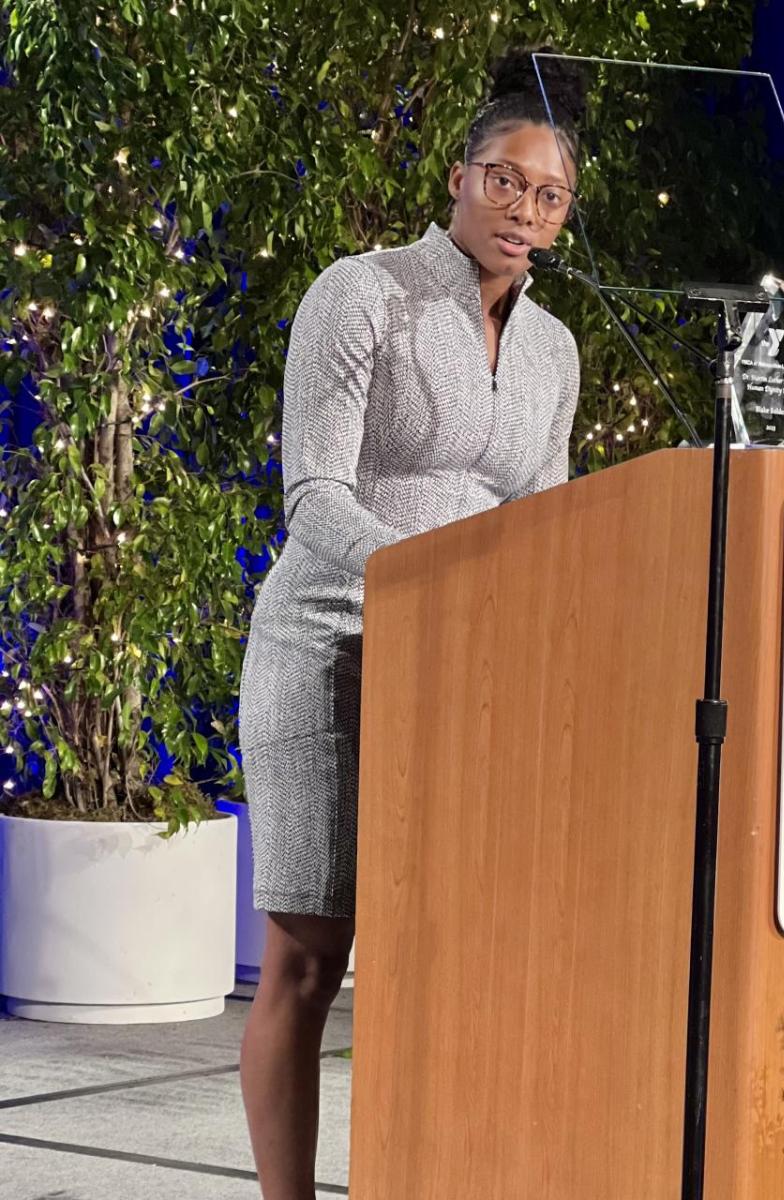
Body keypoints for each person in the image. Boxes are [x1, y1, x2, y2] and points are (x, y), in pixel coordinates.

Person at [236, 47, 585, 1200]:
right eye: (505, 180)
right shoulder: (363, 293)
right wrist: (431, 574)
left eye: (547, 194)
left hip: (464, 677)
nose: (522, 209)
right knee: (308, 955)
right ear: (457, 176)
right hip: (330, 649)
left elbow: (541, 514)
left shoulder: (555, 350)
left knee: (447, 957)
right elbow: (313, 495)